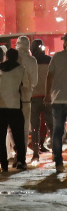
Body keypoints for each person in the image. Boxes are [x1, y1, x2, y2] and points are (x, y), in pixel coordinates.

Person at [0, 48, 27, 172]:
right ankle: (21, 162)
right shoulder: (21, 68)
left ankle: (3, 165)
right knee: (18, 135)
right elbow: (26, 84)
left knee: (1, 137)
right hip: (14, 106)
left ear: (6, 57)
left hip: (0, 105)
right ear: (17, 58)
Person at [44, 34, 67, 173]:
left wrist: (47, 94)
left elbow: (49, 76)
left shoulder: (57, 57)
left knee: (57, 131)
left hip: (58, 99)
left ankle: (58, 160)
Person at [30, 39, 52, 160]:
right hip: (47, 96)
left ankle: (35, 154)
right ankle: (55, 151)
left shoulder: (31, 61)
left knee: (35, 127)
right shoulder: (49, 60)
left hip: (34, 97)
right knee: (51, 125)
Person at [15, 36, 38, 149]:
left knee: (13, 126)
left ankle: (16, 149)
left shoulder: (11, 58)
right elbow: (35, 81)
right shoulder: (32, 60)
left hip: (12, 96)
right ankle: (22, 151)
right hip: (27, 96)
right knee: (24, 125)